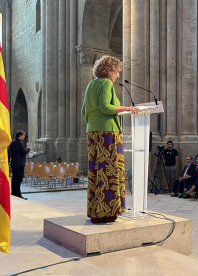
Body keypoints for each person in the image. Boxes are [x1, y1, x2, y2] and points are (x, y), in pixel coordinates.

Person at [81, 55, 140, 224]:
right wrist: (127, 108)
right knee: (110, 172)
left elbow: (84, 111)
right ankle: (108, 212)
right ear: (109, 71)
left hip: (93, 133)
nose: (117, 76)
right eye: (116, 72)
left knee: (96, 172)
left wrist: (94, 122)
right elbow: (105, 107)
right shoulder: (106, 83)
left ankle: (96, 211)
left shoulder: (91, 84)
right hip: (107, 133)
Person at [9, 130, 30, 200]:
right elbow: (23, 152)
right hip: (20, 164)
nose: (24, 137)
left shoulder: (13, 142)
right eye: (23, 135)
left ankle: (14, 192)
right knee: (19, 179)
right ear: (20, 136)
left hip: (14, 163)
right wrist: (28, 150)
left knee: (14, 179)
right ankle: (18, 194)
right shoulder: (20, 143)